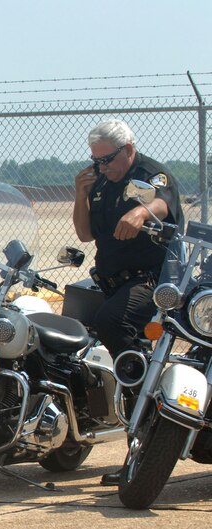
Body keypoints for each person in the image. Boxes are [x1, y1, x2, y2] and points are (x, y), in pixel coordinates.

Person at [72, 118, 183, 485]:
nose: (101, 166)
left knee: (113, 323)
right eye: (96, 160)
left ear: (129, 150)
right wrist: (80, 194)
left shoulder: (151, 173)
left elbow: (163, 202)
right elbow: (86, 234)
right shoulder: (100, 182)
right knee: (71, 324)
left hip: (152, 281)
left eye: (107, 159)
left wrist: (141, 211)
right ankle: (77, 424)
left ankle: (142, 387)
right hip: (112, 282)